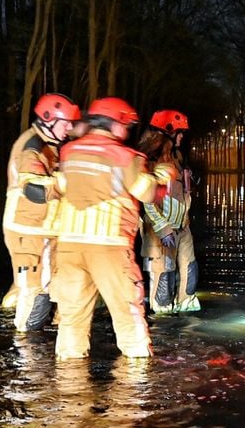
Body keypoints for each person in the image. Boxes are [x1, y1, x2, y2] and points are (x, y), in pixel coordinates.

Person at [49, 96, 176, 360]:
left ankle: (71, 392)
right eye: (125, 125)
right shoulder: (125, 156)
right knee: (129, 319)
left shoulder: (69, 152)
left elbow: (60, 187)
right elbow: (146, 191)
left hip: (69, 248)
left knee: (71, 323)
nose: (127, 131)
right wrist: (163, 176)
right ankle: (133, 392)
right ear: (115, 123)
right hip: (109, 247)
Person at [2, 92, 81, 332]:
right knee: (36, 295)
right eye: (65, 122)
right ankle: (26, 358)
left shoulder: (50, 144)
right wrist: (70, 182)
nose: (69, 128)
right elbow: (34, 189)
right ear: (49, 119)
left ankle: (38, 352)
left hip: (45, 230)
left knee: (49, 291)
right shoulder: (32, 147)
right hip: (29, 231)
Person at [138, 109, 201, 315]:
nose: (182, 136)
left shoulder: (177, 157)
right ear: (167, 132)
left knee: (189, 274)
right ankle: (163, 326)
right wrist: (162, 227)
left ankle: (186, 309)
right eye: (179, 132)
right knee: (164, 282)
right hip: (160, 232)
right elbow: (145, 198)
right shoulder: (148, 161)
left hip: (183, 228)